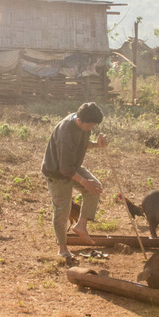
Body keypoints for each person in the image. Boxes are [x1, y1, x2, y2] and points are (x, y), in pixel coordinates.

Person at [41, 101, 108, 260]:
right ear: (79, 120)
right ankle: (62, 248)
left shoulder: (82, 124)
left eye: (93, 127)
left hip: (72, 166)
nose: (90, 129)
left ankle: (81, 225)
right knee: (63, 209)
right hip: (56, 173)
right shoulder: (66, 132)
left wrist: (97, 145)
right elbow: (65, 169)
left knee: (95, 188)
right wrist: (84, 182)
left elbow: (80, 145)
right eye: (89, 126)